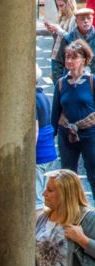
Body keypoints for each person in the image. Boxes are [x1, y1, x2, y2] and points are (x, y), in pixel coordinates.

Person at [51, 40, 95, 194]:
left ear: (83, 60)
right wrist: (53, 134)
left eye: (73, 57)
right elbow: (55, 111)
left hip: (89, 134)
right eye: (67, 57)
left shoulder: (91, 81)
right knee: (67, 177)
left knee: (93, 174)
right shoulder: (61, 84)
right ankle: (71, 213)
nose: (69, 61)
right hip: (66, 134)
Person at [36, 64, 58, 214]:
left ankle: (36, 235)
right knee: (43, 198)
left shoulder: (31, 99)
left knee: (36, 201)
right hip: (48, 151)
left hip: (39, 154)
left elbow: (34, 131)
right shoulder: (41, 94)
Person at [52, 8, 95, 82]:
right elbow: (59, 63)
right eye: (82, 19)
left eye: (89, 18)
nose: (86, 21)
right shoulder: (68, 39)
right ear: (76, 21)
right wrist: (59, 84)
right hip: (72, 82)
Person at [45, 0, 78, 75]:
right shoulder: (61, 16)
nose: (60, 8)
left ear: (69, 3)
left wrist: (59, 30)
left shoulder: (75, 18)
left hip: (66, 55)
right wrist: (52, 31)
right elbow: (57, 39)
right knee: (56, 79)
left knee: (63, 80)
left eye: (61, 5)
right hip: (56, 54)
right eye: (58, 6)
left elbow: (73, 39)